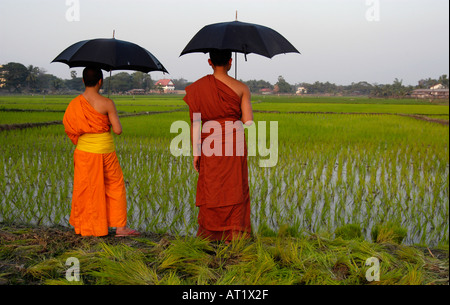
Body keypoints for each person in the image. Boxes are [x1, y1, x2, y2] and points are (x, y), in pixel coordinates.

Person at [183, 49, 254, 242]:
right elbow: (248, 121)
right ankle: (235, 234)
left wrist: (196, 153)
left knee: (212, 186)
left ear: (209, 62)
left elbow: (195, 123)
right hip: (234, 140)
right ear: (230, 62)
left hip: (209, 142)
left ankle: (211, 234)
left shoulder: (197, 88)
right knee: (235, 186)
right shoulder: (242, 88)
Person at [63, 66, 139, 237]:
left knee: (85, 188)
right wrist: (109, 119)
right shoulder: (107, 103)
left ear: (83, 81)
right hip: (106, 152)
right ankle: (121, 228)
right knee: (115, 186)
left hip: (83, 152)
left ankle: (86, 227)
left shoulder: (74, 104)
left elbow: (70, 128)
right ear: (100, 81)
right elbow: (118, 130)